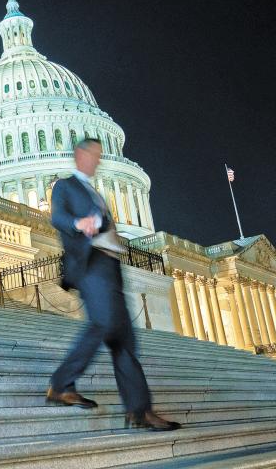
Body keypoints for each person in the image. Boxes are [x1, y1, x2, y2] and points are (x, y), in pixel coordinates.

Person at [46, 138, 180, 431]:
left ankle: (139, 410)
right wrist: (79, 224)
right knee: (103, 325)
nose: (97, 160)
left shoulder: (95, 193)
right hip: (89, 265)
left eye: (99, 156)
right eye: (93, 154)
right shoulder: (65, 186)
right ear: (79, 155)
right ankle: (60, 384)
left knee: (124, 340)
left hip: (110, 268)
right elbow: (58, 217)